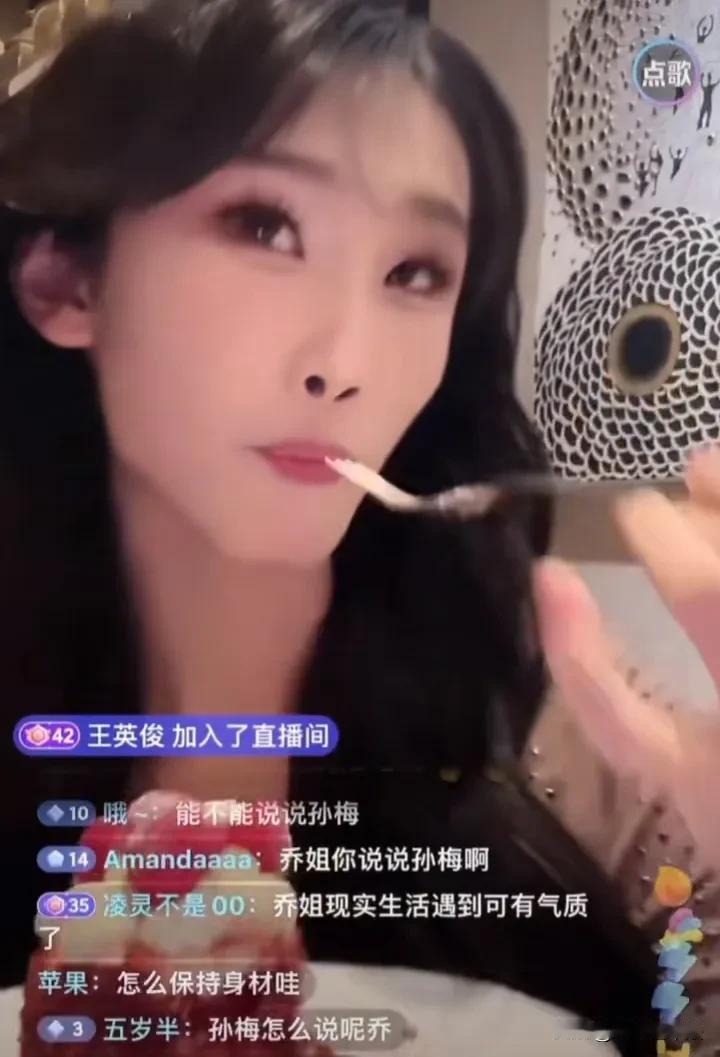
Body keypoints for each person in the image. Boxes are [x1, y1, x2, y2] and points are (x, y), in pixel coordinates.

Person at [1, 1, 719, 1053]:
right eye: (265, 226)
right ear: (67, 279)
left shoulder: (536, 705)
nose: (346, 362)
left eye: (414, 273)